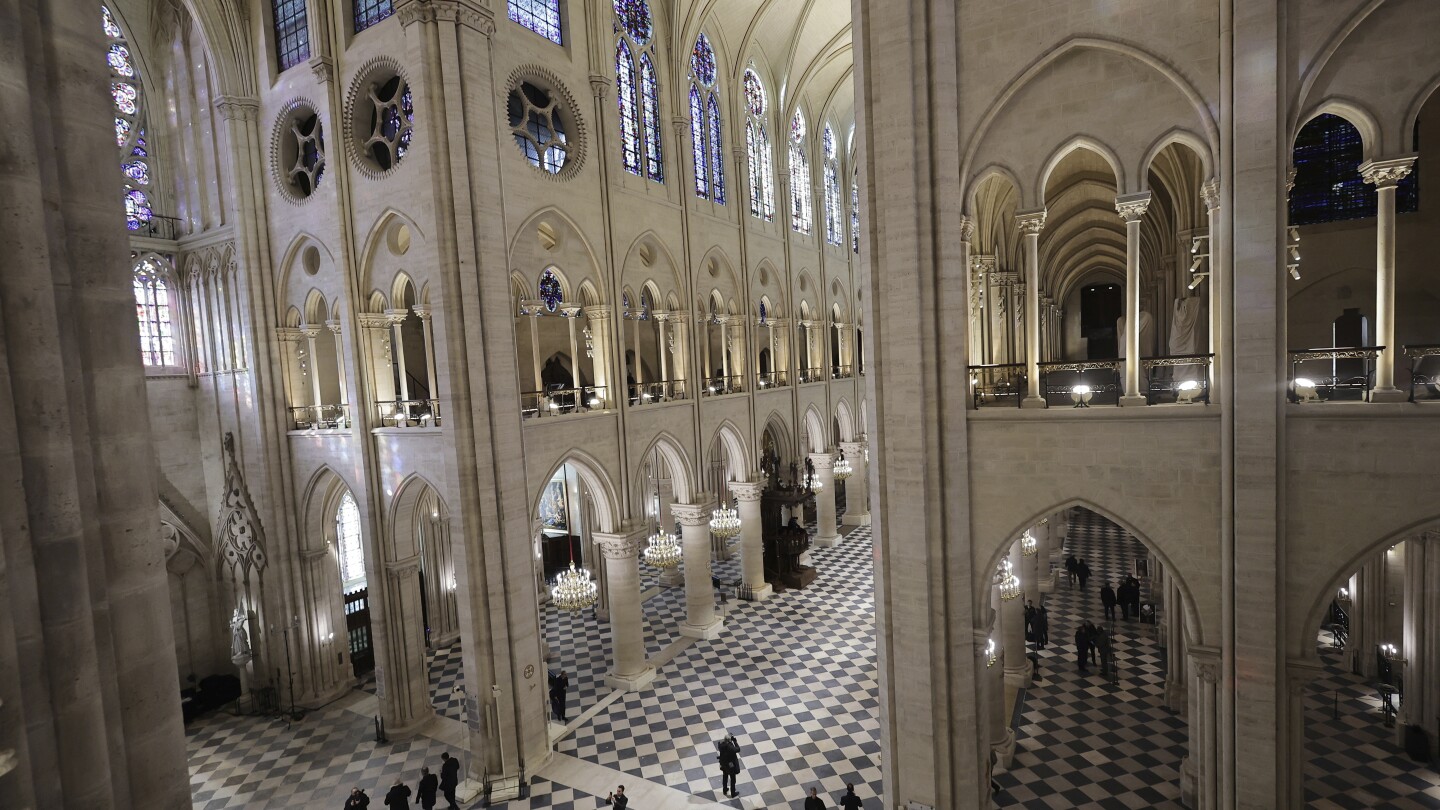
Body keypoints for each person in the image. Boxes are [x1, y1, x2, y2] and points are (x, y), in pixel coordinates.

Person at [716, 732, 742, 797]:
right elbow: (738, 749)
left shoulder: (721, 744)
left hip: (723, 764)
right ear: (729, 740)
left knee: (725, 776)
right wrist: (735, 742)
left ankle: (725, 789)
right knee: (733, 778)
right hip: (730, 765)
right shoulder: (730, 747)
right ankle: (733, 793)